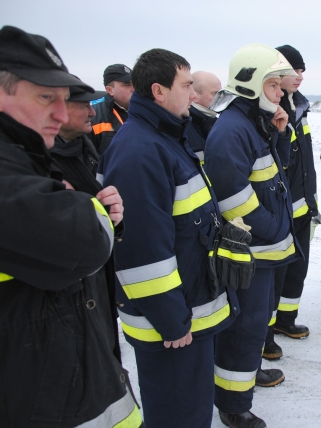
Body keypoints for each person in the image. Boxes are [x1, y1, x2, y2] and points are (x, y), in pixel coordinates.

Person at [0, 25, 141, 427]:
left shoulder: (30, 157)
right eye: (46, 97)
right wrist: (95, 214)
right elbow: (82, 242)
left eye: (65, 101)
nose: (61, 115)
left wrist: (89, 210)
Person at [99, 48, 237, 428]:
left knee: (190, 407)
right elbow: (141, 251)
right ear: (159, 91)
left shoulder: (165, 136)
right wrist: (172, 321)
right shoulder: (140, 150)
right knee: (179, 414)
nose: (194, 94)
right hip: (173, 326)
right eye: (187, 85)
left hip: (187, 311)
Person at [205, 43, 299, 428]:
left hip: (266, 248)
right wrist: (273, 227)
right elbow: (235, 199)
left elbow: (273, 174)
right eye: (275, 86)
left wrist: (278, 136)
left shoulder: (252, 122)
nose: (281, 94)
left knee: (256, 323)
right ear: (252, 84)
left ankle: (246, 373)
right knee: (245, 328)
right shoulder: (232, 129)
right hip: (253, 249)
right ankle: (232, 403)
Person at [52, 84, 124, 362]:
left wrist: (112, 219)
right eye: (83, 105)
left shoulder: (82, 148)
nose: (92, 112)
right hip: (70, 293)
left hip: (97, 281)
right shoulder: (42, 161)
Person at [261, 45, 318, 362]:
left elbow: (304, 163)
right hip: (280, 214)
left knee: (297, 271)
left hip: (302, 209)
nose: (299, 76)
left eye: (302, 70)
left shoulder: (299, 108)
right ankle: (265, 337)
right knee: (275, 278)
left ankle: (286, 321)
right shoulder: (268, 111)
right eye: (292, 70)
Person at [91, 63, 134, 154]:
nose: (133, 88)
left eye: (134, 83)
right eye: (127, 84)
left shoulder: (144, 112)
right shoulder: (93, 116)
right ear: (110, 90)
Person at [187, 71, 221, 163]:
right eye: (215, 93)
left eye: (221, 93)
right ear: (195, 95)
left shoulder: (218, 124)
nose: (220, 98)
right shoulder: (184, 129)